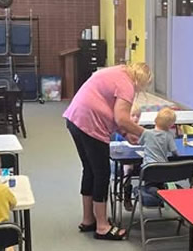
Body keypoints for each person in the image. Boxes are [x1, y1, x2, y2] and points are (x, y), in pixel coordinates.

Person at [63, 63, 152, 240]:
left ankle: (88, 219)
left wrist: (125, 134)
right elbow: (122, 118)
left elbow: (112, 112)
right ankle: (102, 226)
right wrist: (145, 134)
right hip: (91, 123)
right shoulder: (127, 84)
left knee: (90, 170)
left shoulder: (116, 72)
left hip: (75, 118)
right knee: (102, 173)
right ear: (141, 80)